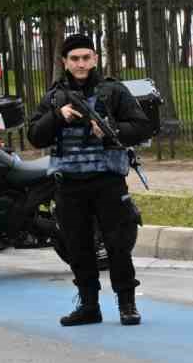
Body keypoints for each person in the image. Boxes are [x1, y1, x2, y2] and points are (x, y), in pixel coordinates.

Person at [27, 34, 154, 327]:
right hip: (69, 184)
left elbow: (141, 127)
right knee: (78, 247)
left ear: (95, 59)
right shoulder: (55, 97)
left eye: (86, 58)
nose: (81, 64)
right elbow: (35, 136)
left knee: (117, 245)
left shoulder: (113, 92)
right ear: (65, 62)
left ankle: (127, 305)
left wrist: (110, 130)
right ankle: (88, 306)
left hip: (107, 181)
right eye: (74, 59)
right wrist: (58, 117)